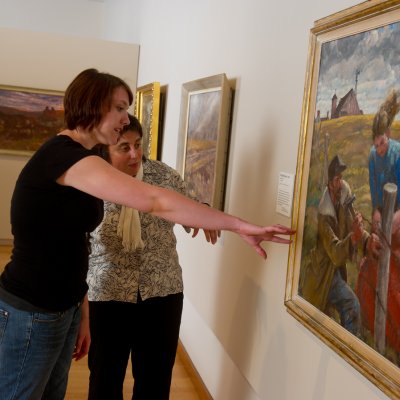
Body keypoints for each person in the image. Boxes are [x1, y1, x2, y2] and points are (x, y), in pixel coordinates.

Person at [0, 68, 294, 400]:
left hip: (62, 306)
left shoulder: (79, 160)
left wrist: (80, 309)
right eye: (120, 108)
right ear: (94, 105)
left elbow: (74, 243)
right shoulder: (66, 158)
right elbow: (154, 200)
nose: (126, 119)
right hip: (32, 310)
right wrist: (239, 225)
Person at [87, 114, 216, 399]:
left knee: (155, 381)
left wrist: (205, 213)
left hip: (162, 291)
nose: (135, 154)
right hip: (108, 292)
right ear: (106, 148)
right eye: (124, 147)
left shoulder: (164, 176)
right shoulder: (92, 180)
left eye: (138, 144)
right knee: (105, 379)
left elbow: (188, 211)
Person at [301, 155, 373, 336]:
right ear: (329, 183)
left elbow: (351, 224)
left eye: (341, 178)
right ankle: (349, 345)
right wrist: (354, 237)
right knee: (352, 304)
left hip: (335, 271)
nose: (340, 182)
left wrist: (366, 239)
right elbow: (334, 253)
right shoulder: (324, 215)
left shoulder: (342, 196)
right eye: (336, 179)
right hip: (323, 274)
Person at [369, 89, 400, 211]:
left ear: (388, 134)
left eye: (382, 143)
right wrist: (376, 209)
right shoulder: (372, 155)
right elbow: (373, 185)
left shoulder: (397, 154)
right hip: (380, 209)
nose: (379, 150)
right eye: (376, 145)